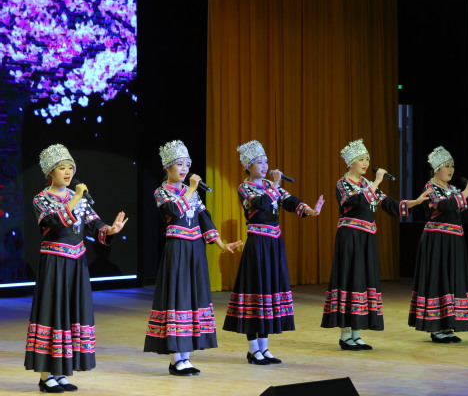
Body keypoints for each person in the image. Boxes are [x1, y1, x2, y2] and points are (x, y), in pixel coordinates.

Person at [26, 144, 128, 393]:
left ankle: (61, 373)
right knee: (53, 312)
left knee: (71, 313)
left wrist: (110, 230)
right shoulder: (41, 198)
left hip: (77, 262)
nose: (68, 172)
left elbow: (94, 224)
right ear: (50, 172)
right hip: (55, 263)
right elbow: (53, 223)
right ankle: (46, 376)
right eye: (62, 168)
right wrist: (75, 198)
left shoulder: (78, 198)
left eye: (70, 168)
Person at [321, 139, 431, 350]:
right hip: (350, 237)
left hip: (367, 238)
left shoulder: (366, 184)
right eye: (361, 159)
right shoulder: (343, 184)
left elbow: (389, 204)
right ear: (350, 163)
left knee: (363, 281)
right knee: (350, 280)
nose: (366, 163)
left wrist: (415, 202)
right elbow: (357, 202)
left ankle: (356, 334)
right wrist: (377, 181)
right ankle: (345, 335)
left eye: (367, 159)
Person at [144, 140, 243, 375]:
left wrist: (221, 244)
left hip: (195, 249)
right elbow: (174, 211)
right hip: (177, 248)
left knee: (192, 299)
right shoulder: (162, 192)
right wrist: (190, 189)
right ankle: (175, 359)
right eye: (179, 164)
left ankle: (186, 357)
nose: (184, 168)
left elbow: (204, 220)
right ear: (168, 167)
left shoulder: (193, 194)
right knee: (178, 298)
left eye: (187, 164)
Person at [222, 140, 324, 365]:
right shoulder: (245, 188)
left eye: (266, 161)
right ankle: (253, 350)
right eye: (259, 162)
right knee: (256, 291)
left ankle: (264, 347)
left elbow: (289, 201)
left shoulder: (271, 185)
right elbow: (259, 204)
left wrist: (310, 210)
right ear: (248, 166)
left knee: (268, 292)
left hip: (274, 243)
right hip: (257, 243)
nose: (265, 166)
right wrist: (275, 185)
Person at [408, 146, 468, 343]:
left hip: (454, 242)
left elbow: (465, 215)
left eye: (452, 166)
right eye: (446, 166)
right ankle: (436, 328)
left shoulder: (453, 190)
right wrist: (466, 192)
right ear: (436, 169)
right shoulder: (430, 188)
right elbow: (445, 207)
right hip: (437, 241)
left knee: (451, 280)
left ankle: (448, 324)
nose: (451, 170)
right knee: (439, 280)